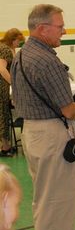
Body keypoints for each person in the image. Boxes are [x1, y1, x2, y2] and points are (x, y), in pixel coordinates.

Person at [10, 4, 75, 230]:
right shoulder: (47, 61)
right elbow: (67, 109)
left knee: (44, 199)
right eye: (60, 26)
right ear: (42, 28)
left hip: (32, 132)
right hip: (51, 135)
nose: (64, 30)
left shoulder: (22, 55)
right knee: (56, 202)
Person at [0, 28, 25, 157]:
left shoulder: (9, 49)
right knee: (3, 116)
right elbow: (2, 69)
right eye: (18, 41)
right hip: (2, 87)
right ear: (13, 39)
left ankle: (6, 145)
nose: (19, 44)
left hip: (5, 86)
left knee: (4, 115)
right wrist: (13, 83)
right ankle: (5, 148)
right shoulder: (4, 49)